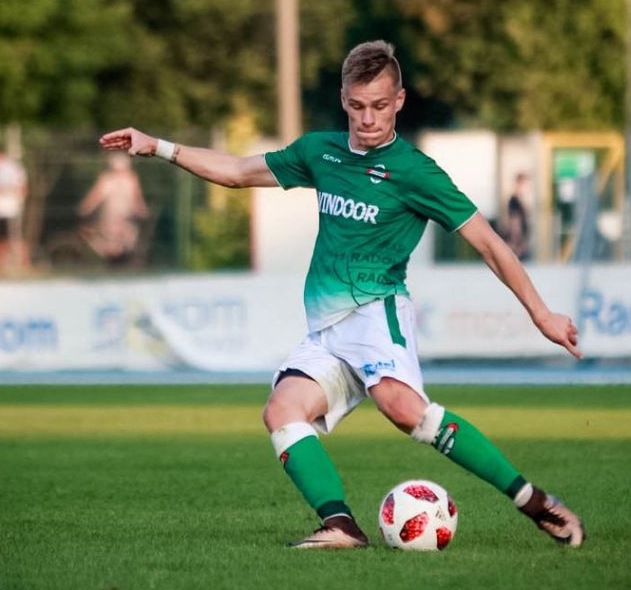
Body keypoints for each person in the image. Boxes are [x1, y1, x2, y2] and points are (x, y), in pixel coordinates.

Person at [99, 40, 584, 549]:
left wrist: (541, 313)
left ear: (399, 100)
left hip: (378, 313)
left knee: (401, 408)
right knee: (282, 411)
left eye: (379, 106)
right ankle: (341, 525)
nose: (367, 119)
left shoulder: (416, 172)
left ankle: (534, 501)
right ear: (343, 99)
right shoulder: (321, 151)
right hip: (328, 331)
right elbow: (239, 172)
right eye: (356, 106)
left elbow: (489, 243)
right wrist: (158, 147)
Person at [78, 153, 150, 264]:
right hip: (110, 218)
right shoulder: (107, 179)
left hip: (126, 219)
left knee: (125, 239)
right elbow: (96, 196)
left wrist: (141, 210)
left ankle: (121, 258)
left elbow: (137, 198)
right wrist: (86, 208)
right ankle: (113, 257)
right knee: (105, 239)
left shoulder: (131, 179)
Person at [0, 150, 28, 266]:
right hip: (1, 209)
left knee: (13, 237)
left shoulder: (9, 168)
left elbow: (20, 188)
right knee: (1, 237)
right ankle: (0, 262)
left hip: (9, 209)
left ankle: (23, 261)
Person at [504, 172, 532, 260]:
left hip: (521, 241)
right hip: (518, 243)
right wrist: (517, 241)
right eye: (525, 185)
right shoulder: (514, 201)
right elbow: (514, 222)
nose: (527, 188)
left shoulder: (520, 200)